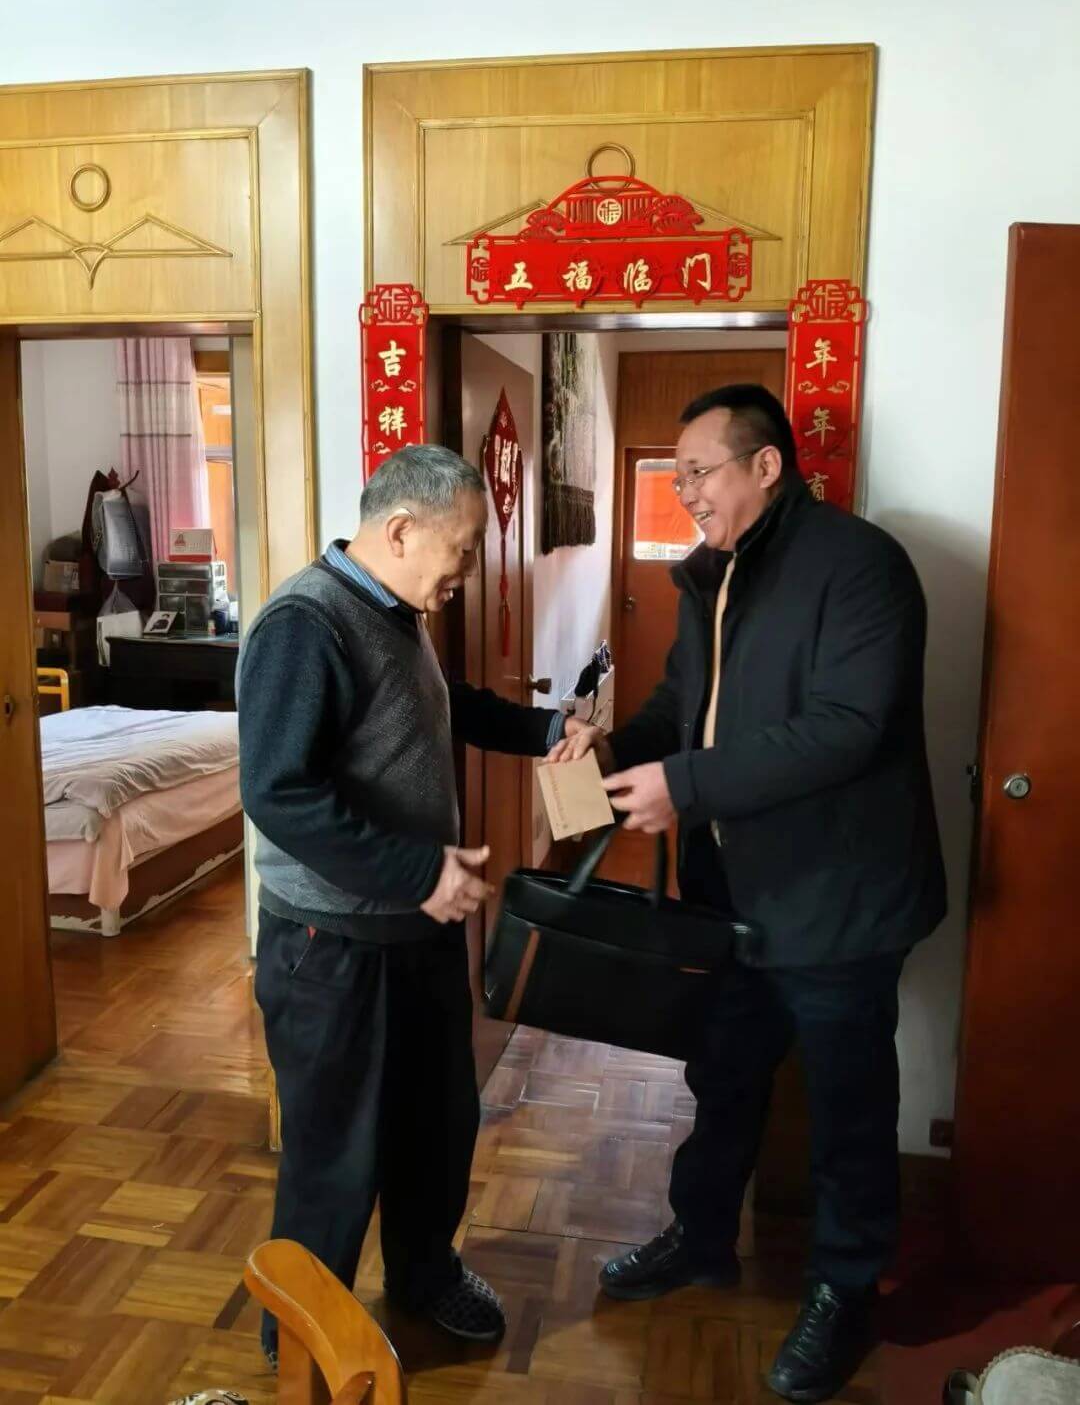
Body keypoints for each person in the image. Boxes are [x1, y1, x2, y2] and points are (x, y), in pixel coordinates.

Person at [550, 384, 946, 1403]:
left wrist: (684, 786)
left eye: (699, 471)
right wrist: (614, 749)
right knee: (722, 1073)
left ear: (767, 466)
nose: (685, 491)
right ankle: (700, 1237)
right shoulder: (713, 576)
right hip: (732, 892)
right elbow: (684, 707)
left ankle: (844, 1291)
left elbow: (849, 727)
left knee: (848, 1103)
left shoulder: (860, 565)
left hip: (838, 896)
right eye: (677, 474)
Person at [237, 445, 590, 1362]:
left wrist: (547, 727)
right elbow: (278, 792)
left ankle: (425, 1276)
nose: (468, 568)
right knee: (335, 1155)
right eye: (463, 548)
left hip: (415, 931)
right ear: (399, 530)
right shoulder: (304, 624)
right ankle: (303, 1342)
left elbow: (441, 706)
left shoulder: (395, 614)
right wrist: (419, 872)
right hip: (330, 945)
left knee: (437, 1122)